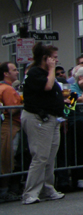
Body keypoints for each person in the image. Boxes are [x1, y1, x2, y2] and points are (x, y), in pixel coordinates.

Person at [20, 44, 65, 204]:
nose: (56, 60)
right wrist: (52, 69)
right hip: (38, 118)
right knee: (40, 156)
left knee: (50, 156)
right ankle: (30, 193)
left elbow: (63, 98)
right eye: (53, 57)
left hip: (53, 118)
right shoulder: (35, 73)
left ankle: (47, 188)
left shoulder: (49, 75)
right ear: (45, 58)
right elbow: (47, 86)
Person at [0, 62, 22, 202]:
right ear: (6, 73)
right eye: (14, 70)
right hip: (12, 126)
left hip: (11, 126)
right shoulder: (6, 89)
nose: (17, 72)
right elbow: (11, 109)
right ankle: (5, 191)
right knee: (8, 157)